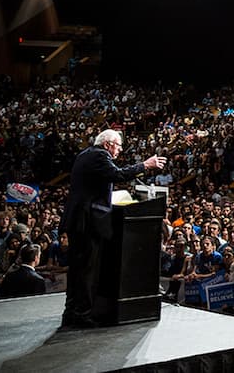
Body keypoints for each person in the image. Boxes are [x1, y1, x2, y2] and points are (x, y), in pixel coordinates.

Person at [61, 128, 167, 328]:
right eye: (118, 146)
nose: (119, 150)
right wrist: (145, 165)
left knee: (78, 269)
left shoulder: (85, 154)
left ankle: (72, 311)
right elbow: (117, 175)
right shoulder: (99, 155)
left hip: (79, 220)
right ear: (109, 143)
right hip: (87, 222)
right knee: (86, 270)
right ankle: (82, 314)